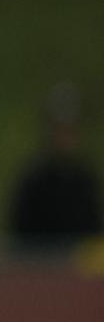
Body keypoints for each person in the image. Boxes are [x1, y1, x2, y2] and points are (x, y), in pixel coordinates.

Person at [7, 83, 101, 256]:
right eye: (59, 129)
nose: (64, 137)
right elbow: (19, 238)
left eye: (69, 130)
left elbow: (93, 232)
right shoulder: (33, 181)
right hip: (38, 270)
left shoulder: (85, 180)